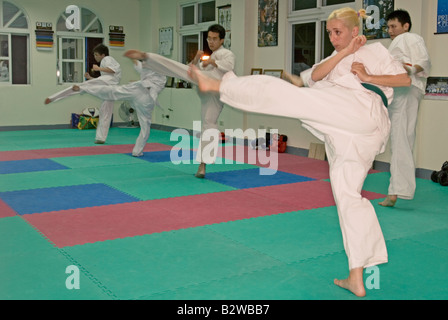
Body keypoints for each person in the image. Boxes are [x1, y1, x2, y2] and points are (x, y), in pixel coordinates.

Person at [188, 7, 411, 297]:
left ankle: (222, 85)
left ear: (355, 31)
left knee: (293, 98)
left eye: (338, 32)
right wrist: (343, 54)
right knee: (348, 198)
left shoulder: (376, 50)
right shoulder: (335, 56)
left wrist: (367, 74)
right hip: (341, 134)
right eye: (329, 32)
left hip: (361, 111)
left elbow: (403, 80)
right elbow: (316, 75)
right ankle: (358, 274)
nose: (332, 37)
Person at [124, 24, 236, 178]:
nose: (211, 42)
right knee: (181, 69)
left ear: (222, 40)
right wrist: (197, 59)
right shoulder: (207, 56)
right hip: (203, 85)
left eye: (214, 39)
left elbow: (229, 67)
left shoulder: (227, 54)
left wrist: (213, 63)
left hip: (216, 90)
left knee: (209, 123)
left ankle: (202, 165)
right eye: (209, 38)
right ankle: (147, 58)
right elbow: (190, 69)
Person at [379, 9, 431, 207]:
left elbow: (423, 61)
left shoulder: (411, 38)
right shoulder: (394, 44)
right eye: (389, 27)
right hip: (398, 91)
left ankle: (396, 191)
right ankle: (396, 189)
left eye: (394, 26)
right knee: (399, 138)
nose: (390, 30)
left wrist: (410, 69)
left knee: (401, 138)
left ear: (405, 26)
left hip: (408, 89)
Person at [72, 58, 166, 157]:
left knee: (114, 92)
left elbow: (150, 82)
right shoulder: (155, 75)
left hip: (143, 97)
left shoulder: (159, 75)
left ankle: (83, 88)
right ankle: (137, 152)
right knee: (114, 92)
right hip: (140, 93)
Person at [45, 44, 121, 145]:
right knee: (105, 113)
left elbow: (113, 70)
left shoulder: (107, 59)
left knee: (80, 86)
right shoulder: (106, 62)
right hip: (109, 87)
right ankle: (101, 138)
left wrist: (98, 69)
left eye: (96, 55)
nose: (95, 57)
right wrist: (90, 78)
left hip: (108, 84)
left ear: (103, 55)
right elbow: (105, 78)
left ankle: (54, 97)